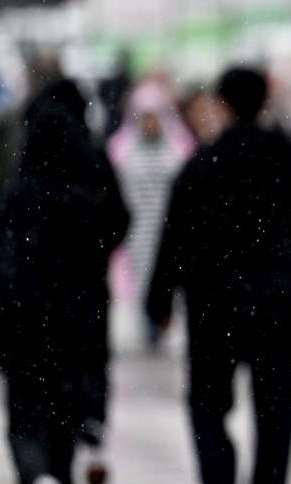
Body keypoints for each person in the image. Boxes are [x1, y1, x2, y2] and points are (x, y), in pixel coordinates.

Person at [147, 67, 291, 484]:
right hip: (281, 299)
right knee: (277, 409)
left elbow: (175, 237)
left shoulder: (203, 164)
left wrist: (160, 298)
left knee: (206, 400)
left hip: (216, 301)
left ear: (223, 104)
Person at [0, 88, 127, 484]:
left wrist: (3, 318)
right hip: (74, 324)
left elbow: (0, 265)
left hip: (25, 321)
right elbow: (104, 250)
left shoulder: (14, 198)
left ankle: (35, 482)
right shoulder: (85, 201)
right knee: (63, 414)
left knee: (24, 414)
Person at [107, 78, 196, 349]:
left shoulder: (180, 147)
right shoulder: (120, 149)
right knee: (140, 277)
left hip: (167, 227)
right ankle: (149, 321)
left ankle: (159, 320)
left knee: (166, 276)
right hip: (137, 230)